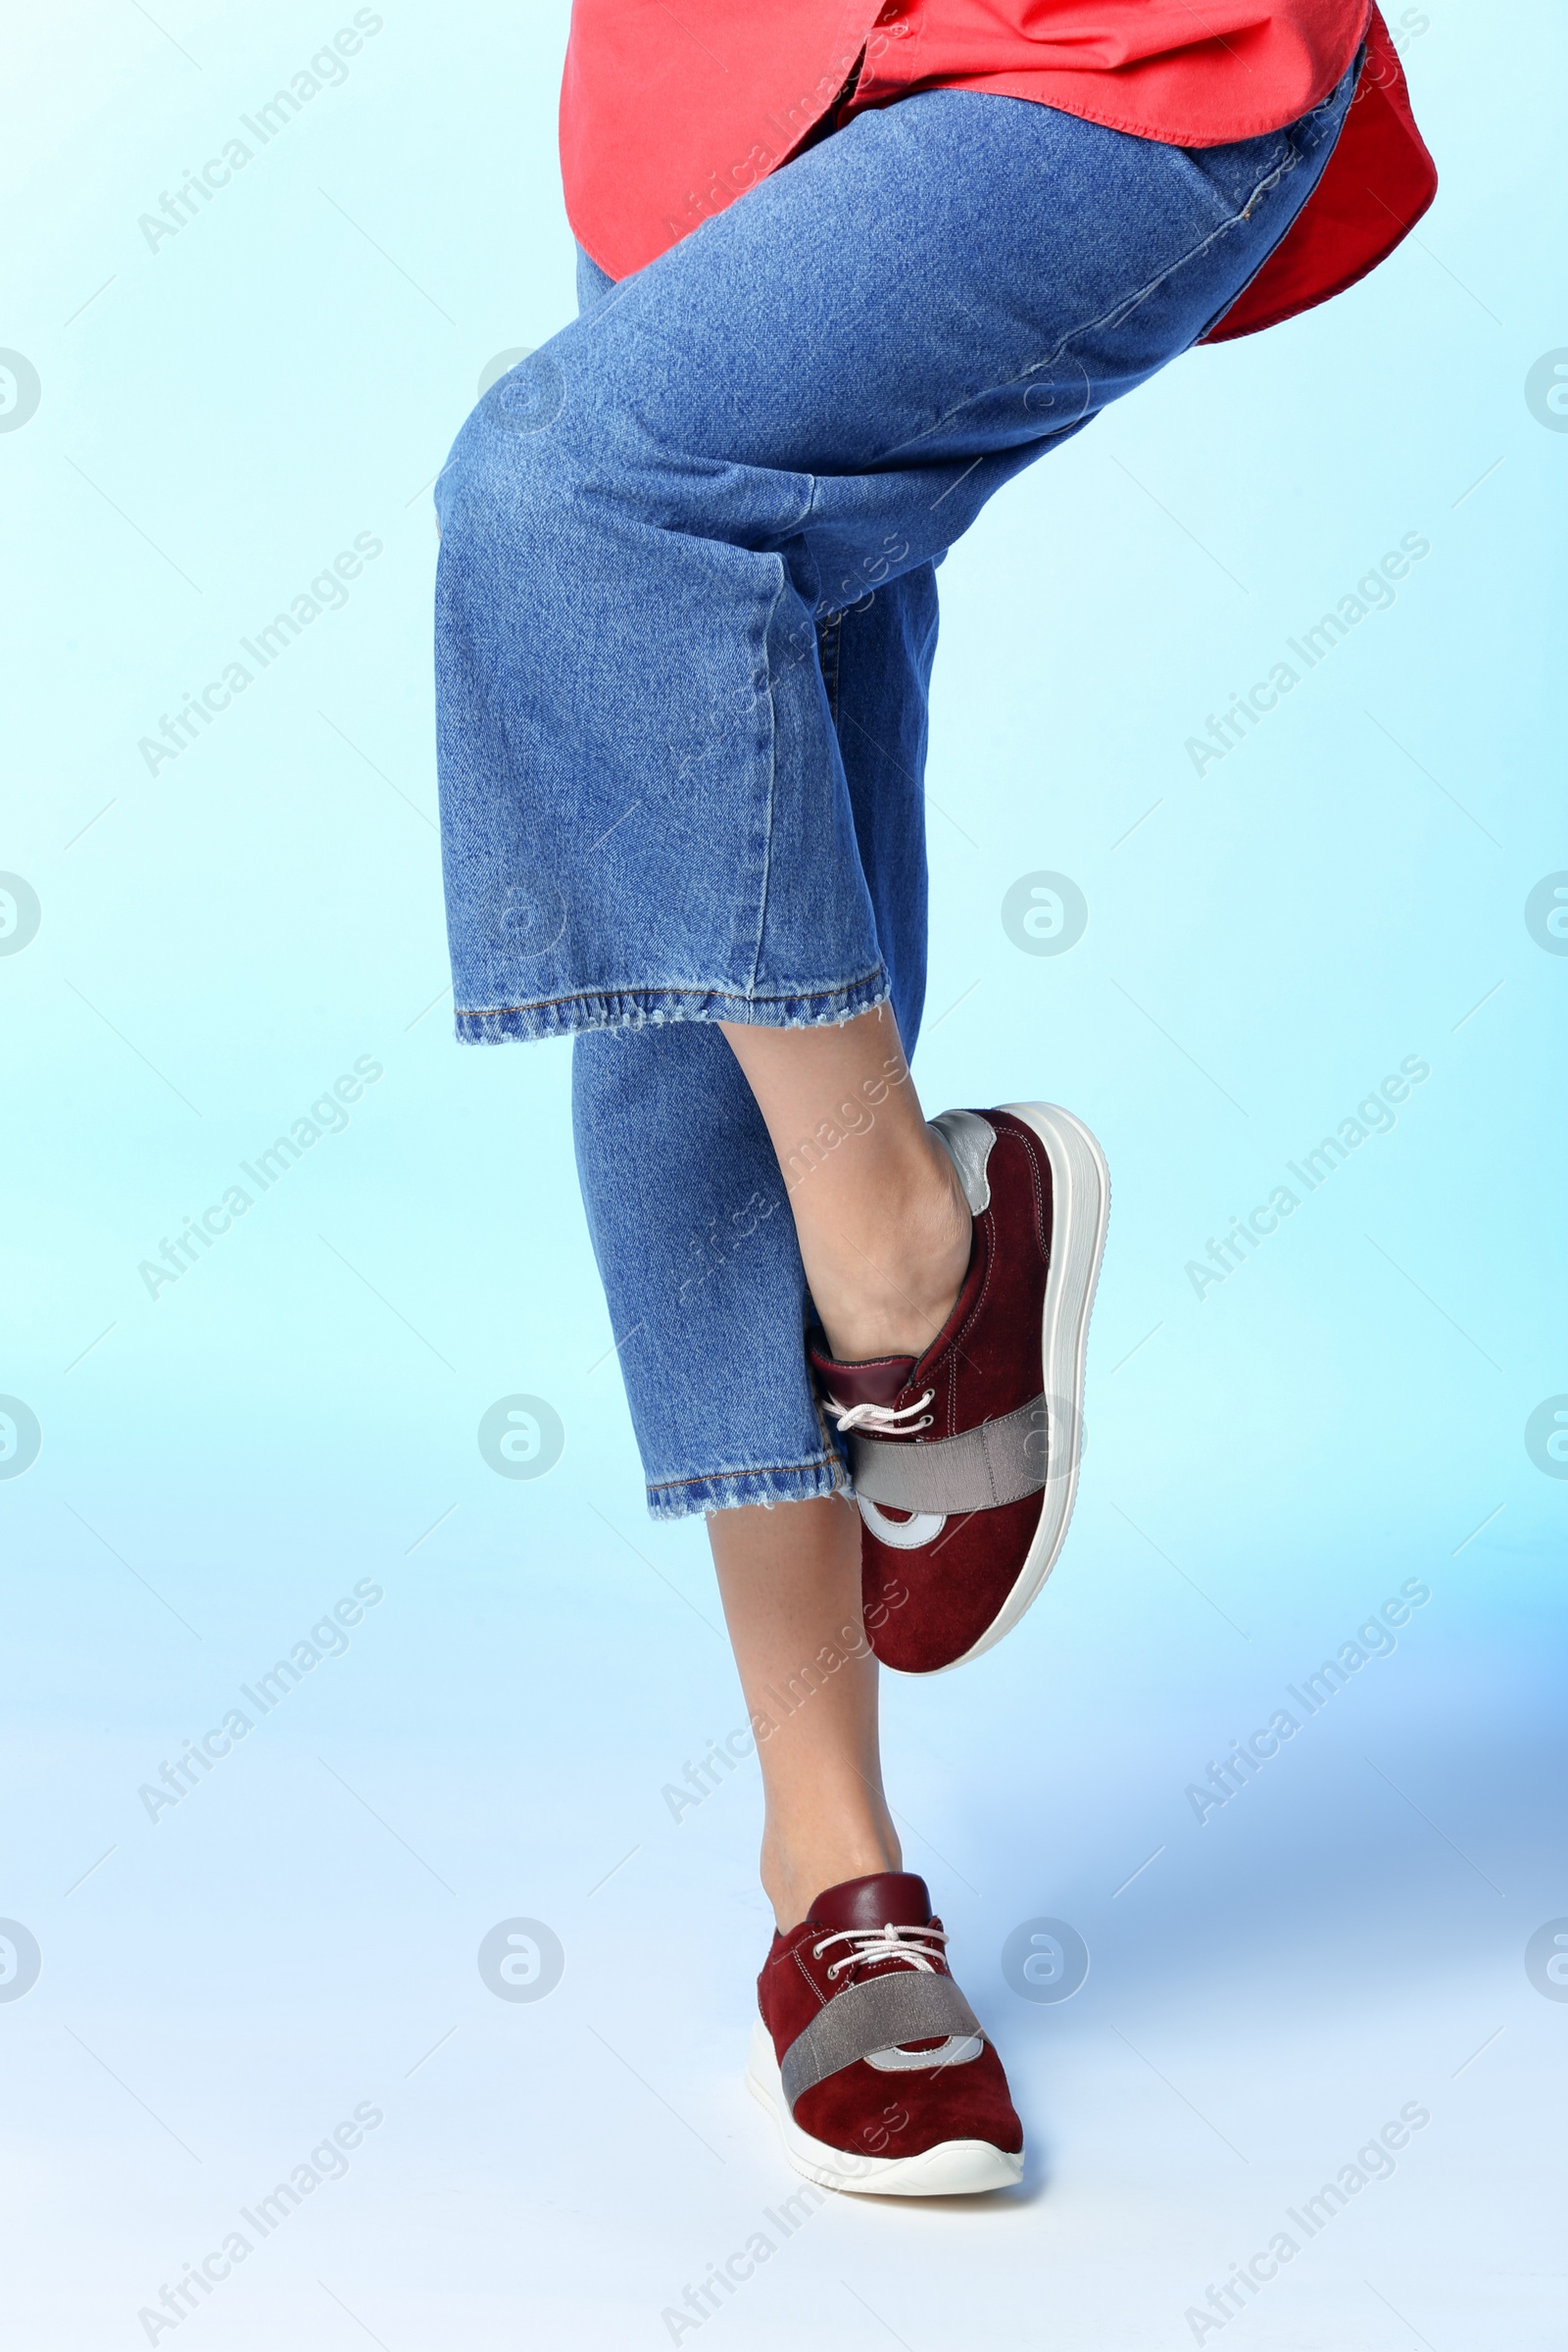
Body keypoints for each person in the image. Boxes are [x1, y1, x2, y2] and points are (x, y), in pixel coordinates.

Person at [432, 0, 1434, 2195]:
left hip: (1111, 50)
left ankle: (911, 1254)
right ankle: (831, 1870)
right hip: (713, 91)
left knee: (568, 501)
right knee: (694, 877)